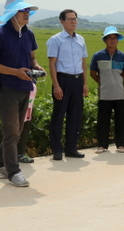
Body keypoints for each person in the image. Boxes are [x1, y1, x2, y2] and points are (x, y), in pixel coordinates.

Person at [0, 0, 43, 187]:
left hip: (25, 87)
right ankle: (13, 171)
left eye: (28, 11)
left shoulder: (29, 34)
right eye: (22, 11)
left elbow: (32, 58)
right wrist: (15, 73)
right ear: (12, 13)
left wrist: (37, 67)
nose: (27, 14)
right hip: (7, 89)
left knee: (16, 132)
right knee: (11, 132)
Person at [47, 9, 89, 161]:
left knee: (75, 116)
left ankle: (71, 148)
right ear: (62, 21)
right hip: (62, 80)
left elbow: (83, 62)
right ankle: (57, 149)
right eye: (70, 19)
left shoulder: (81, 40)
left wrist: (85, 83)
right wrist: (56, 85)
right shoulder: (55, 40)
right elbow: (52, 64)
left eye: (75, 18)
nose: (73, 21)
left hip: (77, 80)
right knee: (59, 116)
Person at [90, 27, 124, 153]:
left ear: (118, 40)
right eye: (109, 38)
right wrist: (103, 83)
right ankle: (102, 145)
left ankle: (120, 144)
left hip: (120, 95)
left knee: (121, 121)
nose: (112, 40)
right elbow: (93, 73)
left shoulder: (123, 57)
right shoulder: (97, 56)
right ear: (105, 40)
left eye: (115, 38)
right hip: (104, 95)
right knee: (103, 122)